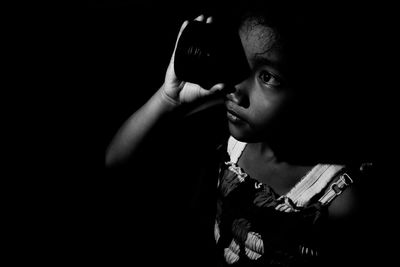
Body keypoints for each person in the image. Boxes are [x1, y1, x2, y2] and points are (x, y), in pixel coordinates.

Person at [106, 1, 378, 266]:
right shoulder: (231, 133)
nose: (236, 89)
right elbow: (116, 161)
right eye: (237, 61)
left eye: (267, 77)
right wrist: (168, 98)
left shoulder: (340, 198)